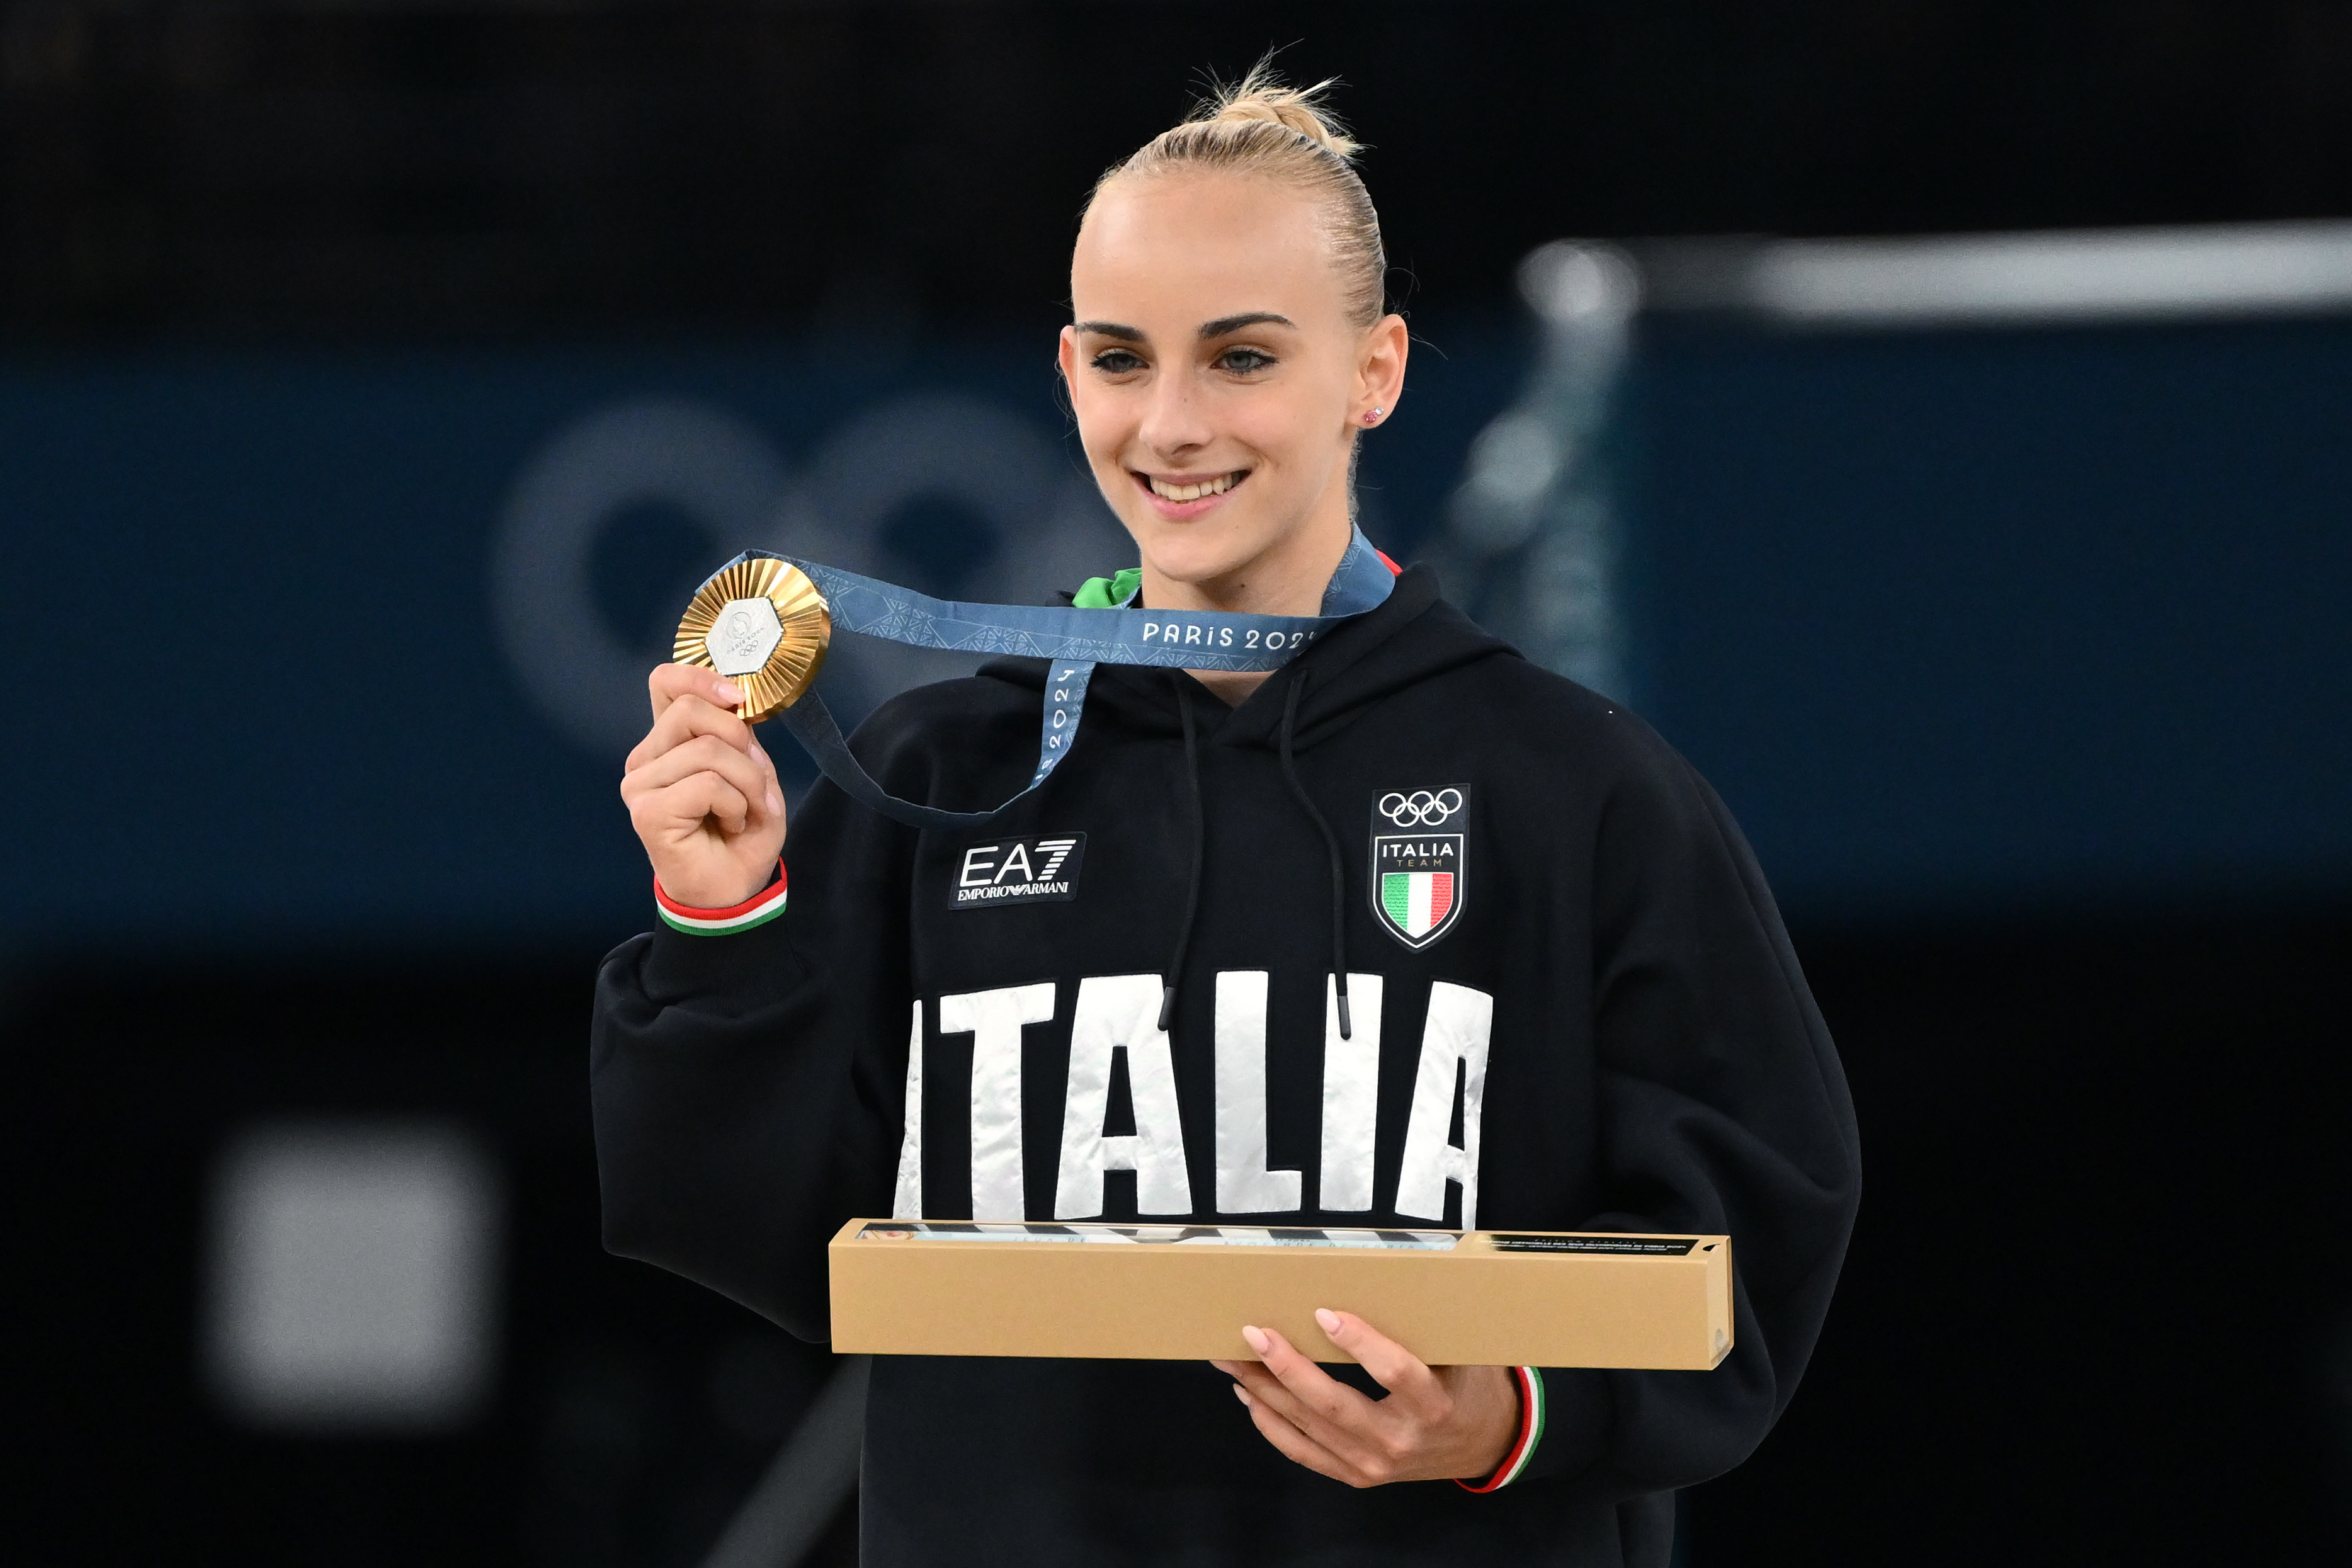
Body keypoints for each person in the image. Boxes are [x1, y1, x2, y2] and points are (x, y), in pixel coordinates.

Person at [593, 65, 1860, 1568]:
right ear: (1067, 374)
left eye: (1242, 358)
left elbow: (1754, 1231)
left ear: (1374, 371)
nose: (1171, 423)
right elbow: (759, 1233)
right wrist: (720, 918)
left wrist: (1508, 1412)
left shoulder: (1575, 787)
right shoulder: (939, 774)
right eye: (1122, 361)